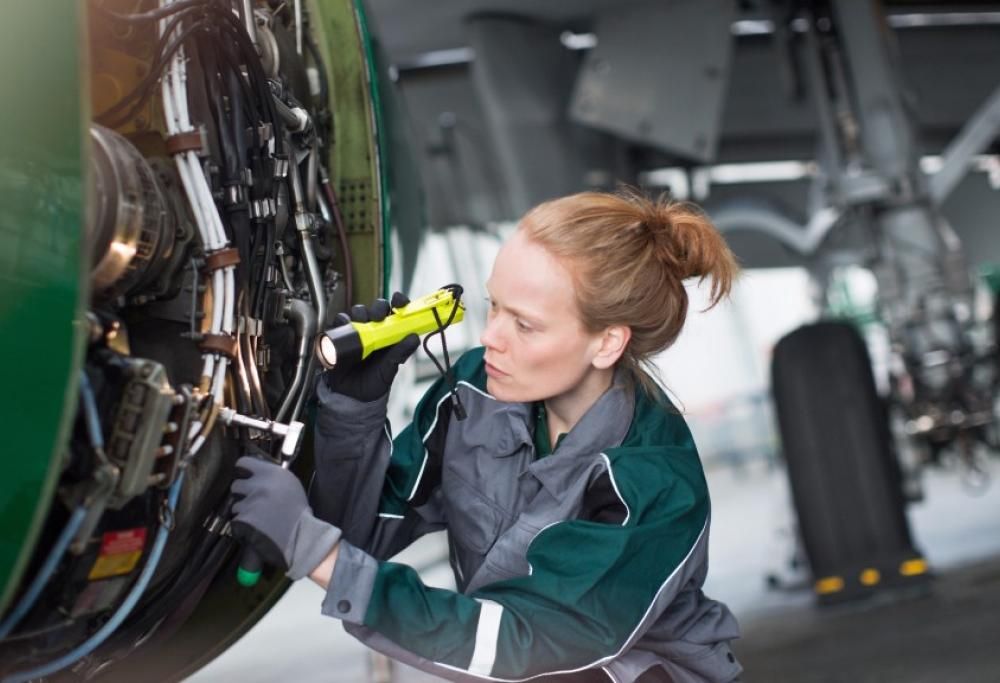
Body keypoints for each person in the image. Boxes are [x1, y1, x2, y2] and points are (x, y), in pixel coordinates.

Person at [230, 189, 743, 683]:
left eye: (525, 325)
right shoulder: (477, 388)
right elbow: (364, 534)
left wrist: (315, 553)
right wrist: (352, 412)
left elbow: (521, 645)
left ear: (607, 343)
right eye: (494, 306)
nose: (488, 336)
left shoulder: (650, 481)